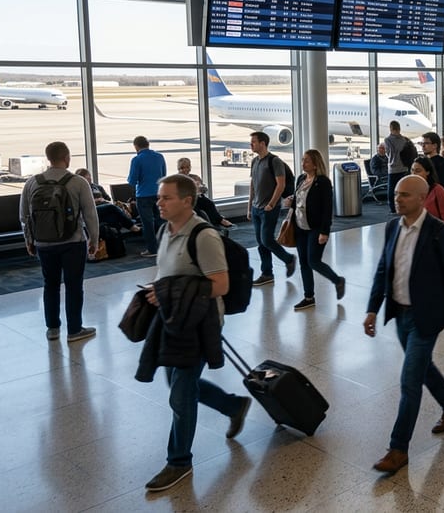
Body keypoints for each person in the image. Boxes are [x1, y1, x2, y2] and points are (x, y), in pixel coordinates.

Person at [140, 174, 250, 492]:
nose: (158, 202)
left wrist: (167, 292)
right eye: (159, 197)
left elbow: (221, 285)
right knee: (175, 381)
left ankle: (179, 462)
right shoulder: (165, 230)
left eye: (166, 198)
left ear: (187, 201)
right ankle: (233, 406)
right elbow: (169, 274)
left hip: (201, 324)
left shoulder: (203, 236)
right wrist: (157, 289)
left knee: (181, 391)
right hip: (175, 320)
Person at [364, 175, 444, 476]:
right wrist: (372, 309)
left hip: (426, 317)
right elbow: (384, 268)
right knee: (422, 367)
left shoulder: (440, 233)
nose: (398, 199)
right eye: (397, 194)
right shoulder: (391, 226)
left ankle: (398, 449)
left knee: (409, 381)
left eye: (406, 195)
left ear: (423, 198)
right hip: (401, 314)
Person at [19, 141, 99, 343]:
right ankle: (74, 330)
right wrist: (94, 239)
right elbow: (90, 214)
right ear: (67, 157)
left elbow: (24, 216)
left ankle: (52, 328)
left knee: (50, 284)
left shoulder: (32, 183)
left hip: (44, 243)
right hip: (73, 242)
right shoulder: (78, 182)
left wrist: (29, 240)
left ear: (48, 158)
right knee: (74, 286)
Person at [283, 149, 345, 311]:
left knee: (313, 261)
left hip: (316, 228)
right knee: (304, 263)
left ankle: (337, 280)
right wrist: (291, 201)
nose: (303, 163)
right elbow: (298, 200)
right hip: (300, 226)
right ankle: (308, 297)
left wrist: (325, 231)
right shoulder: (301, 179)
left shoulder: (323, 182)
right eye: (303, 160)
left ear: (316, 164)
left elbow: (327, 208)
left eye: (307, 161)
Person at [248, 131, 296, 285]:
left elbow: (280, 184)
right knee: (261, 242)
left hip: (269, 209)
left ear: (263, 143)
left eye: (253, 142)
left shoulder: (275, 161)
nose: (251, 145)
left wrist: (272, 203)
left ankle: (288, 259)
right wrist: (249, 206)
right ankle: (267, 273)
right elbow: (253, 185)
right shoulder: (255, 162)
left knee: (267, 239)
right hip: (256, 208)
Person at [128, 135, 166, 257]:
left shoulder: (136, 160)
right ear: (148, 144)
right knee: (161, 220)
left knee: (147, 223)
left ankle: (152, 249)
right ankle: (166, 246)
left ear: (136, 146)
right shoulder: (160, 157)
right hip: (159, 193)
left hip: (143, 195)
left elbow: (132, 180)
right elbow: (164, 175)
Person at [75, 167, 139, 233]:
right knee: (111, 207)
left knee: (113, 216)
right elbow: (80, 204)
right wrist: (96, 200)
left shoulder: (97, 187)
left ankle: (120, 229)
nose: (90, 179)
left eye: (89, 177)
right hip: (92, 209)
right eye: (87, 178)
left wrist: (104, 200)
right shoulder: (79, 190)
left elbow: (108, 198)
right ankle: (131, 225)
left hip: (104, 207)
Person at [176, 158, 233, 229]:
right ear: (178, 169)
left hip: (197, 198)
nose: (185, 170)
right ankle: (205, 226)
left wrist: (200, 187)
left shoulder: (195, 177)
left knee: (209, 203)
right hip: (185, 201)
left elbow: (205, 189)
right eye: (182, 168)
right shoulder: (177, 179)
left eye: (187, 167)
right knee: (196, 211)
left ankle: (219, 220)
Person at [410, 156, 444, 225]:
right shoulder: (409, 190)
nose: (413, 174)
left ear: (427, 172)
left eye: (418, 171)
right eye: (412, 170)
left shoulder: (438, 190)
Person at [384, 121, 415, 214]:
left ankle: (393, 208)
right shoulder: (404, 140)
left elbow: (388, 153)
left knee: (392, 189)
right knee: (403, 188)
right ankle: (405, 206)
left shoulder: (388, 140)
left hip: (393, 168)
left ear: (391, 128)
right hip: (404, 167)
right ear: (399, 128)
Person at [420, 132, 444, 198]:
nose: (423, 146)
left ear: (435, 146)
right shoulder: (424, 162)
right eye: (422, 143)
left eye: (426, 143)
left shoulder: (443, 163)